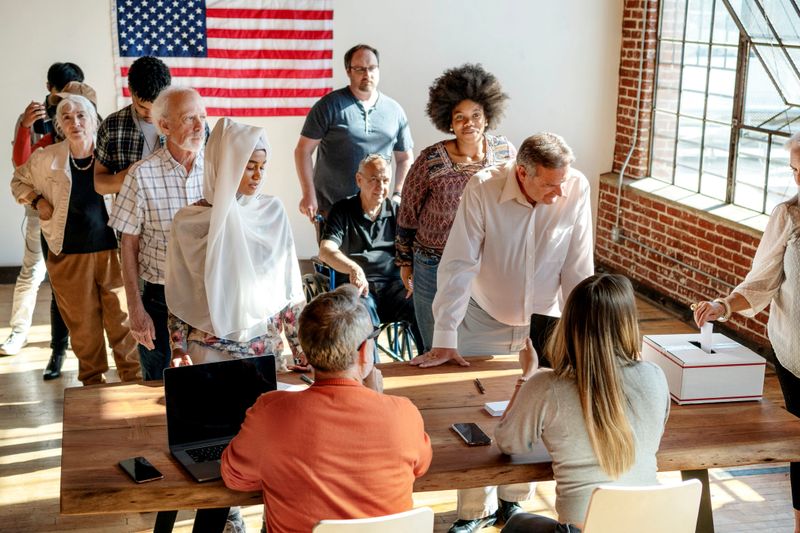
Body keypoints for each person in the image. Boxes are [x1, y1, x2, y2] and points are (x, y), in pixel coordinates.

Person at [410, 133, 595, 533]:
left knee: (534, 409)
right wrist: (445, 335)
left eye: (562, 181)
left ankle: (514, 503)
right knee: (473, 411)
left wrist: (581, 333)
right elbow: (459, 262)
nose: (558, 191)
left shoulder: (575, 187)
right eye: (549, 184)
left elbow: (579, 264)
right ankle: (474, 509)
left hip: (547, 317)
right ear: (522, 172)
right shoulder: (483, 188)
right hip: (485, 312)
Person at [221, 284, 432, 533]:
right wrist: (377, 398)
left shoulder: (270, 412)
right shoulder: (403, 413)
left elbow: (234, 477)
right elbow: (420, 467)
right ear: (365, 351)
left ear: (306, 352)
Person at [496, 274, 670, 532]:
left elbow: (508, 442)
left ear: (567, 324)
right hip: (651, 524)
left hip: (583, 530)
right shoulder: (655, 376)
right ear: (627, 323)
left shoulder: (546, 386)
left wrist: (526, 376)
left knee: (517, 523)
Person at [693, 132, 800, 533]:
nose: (798, 181)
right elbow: (763, 281)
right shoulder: (788, 216)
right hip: (796, 353)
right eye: (793, 170)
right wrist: (724, 306)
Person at [11, 94, 141, 385]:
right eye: (67, 117)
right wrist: (36, 200)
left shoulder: (111, 154)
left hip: (114, 254)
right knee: (83, 329)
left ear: (94, 120)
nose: (75, 122)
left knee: (124, 324)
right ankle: (93, 386)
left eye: (81, 116)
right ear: (59, 124)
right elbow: (18, 181)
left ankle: (133, 384)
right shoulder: (47, 158)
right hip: (68, 256)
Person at [166, 118, 306, 371]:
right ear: (226, 165)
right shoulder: (190, 222)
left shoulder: (272, 213)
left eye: (262, 167)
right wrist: (178, 346)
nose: (257, 175)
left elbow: (289, 287)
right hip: (207, 352)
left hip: (264, 350)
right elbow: (181, 291)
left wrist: (299, 347)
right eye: (249, 166)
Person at [396, 64, 514, 352]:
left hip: (486, 263)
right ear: (449, 121)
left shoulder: (505, 154)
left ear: (487, 117)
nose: (468, 123)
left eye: (475, 115)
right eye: (460, 117)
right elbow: (407, 214)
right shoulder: (430, 160)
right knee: (434, 343)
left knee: (476, 345)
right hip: (433, 265)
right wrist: (405, 262)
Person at [108, 86, 206, 380]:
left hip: (209, 297)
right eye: (190, 118)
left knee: (209, 386)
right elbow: (127, 245)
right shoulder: (141, 174)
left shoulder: (217, 169)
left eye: (203, 116)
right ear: (164, 126)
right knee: (160, 385)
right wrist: (135, 308)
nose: (200, 125)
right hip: (160, 299)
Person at [2, 63, 84, 377]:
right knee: (33, 272)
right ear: (49, 87)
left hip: (76, 210)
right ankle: (19, 332)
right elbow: (20, 165)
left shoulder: (83, 112)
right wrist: (24, 126)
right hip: (41, 208)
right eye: (61, 89)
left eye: (74, 88)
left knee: (79, 280)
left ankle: (78, 346)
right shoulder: (35, 118)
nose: (67, 95)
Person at [295, 43, 414, 220]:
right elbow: (303, 151)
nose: (367, 74)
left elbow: (405, 158)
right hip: (332, 208)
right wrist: (308, 195)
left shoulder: (394, 111)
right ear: (348, 71)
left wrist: (398, 194)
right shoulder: (329, 106)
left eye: (372, 68)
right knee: (332, 249)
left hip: (378, 210)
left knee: (379, 250)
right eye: (360, 69)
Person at [319, 154, 423, 354]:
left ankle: (428, 361)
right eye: (373, 179)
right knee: (362, 312)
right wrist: (353, 268)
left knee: (421, 306)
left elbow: (414, 249)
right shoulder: (342, 210)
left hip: (393, 287)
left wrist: (413, 275)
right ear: (359, 180)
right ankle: (369, 371)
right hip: (357, 288)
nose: (381, 187)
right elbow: (326, 250)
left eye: (385, 181)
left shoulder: (397, 211)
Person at [94, 56, 171, 195]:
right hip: (131, 213)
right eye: (142, 107)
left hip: (177, 213)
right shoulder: (111, 126)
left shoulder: (188, 122)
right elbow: (99, 185)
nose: (150, 113)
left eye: (156, 107)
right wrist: (126, 178)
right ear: (130, 89)